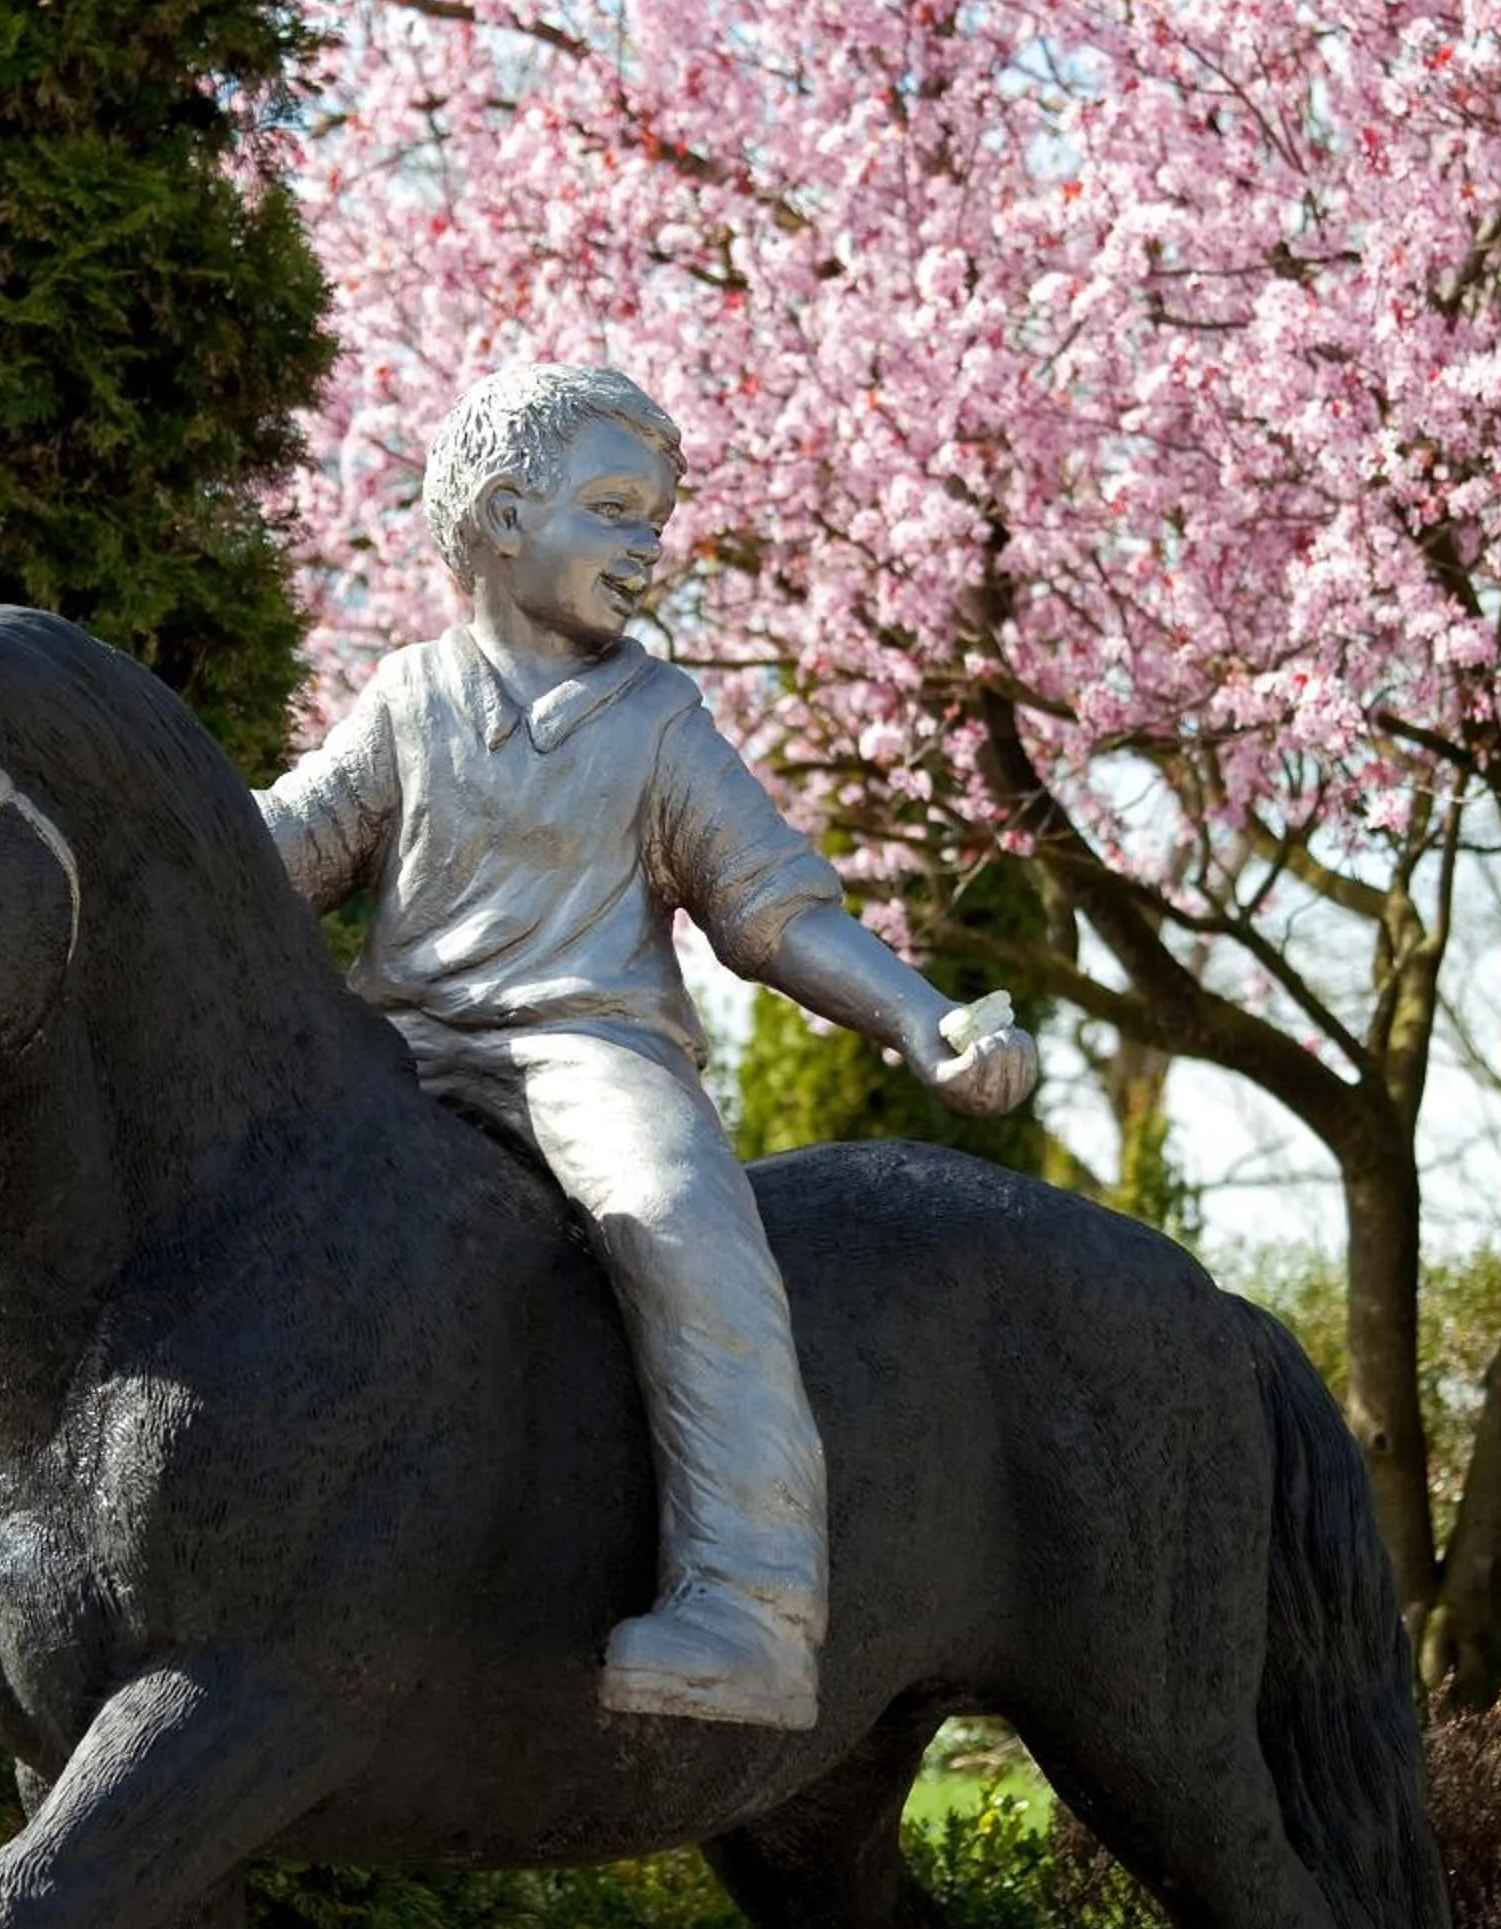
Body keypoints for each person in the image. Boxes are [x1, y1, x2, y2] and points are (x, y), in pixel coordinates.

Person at [258, 365, 1036, 1728]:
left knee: (680, 1214)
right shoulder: (408, 697)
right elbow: (282, 850)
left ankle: (751, 1601)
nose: (647, 548)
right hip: (400, 1052)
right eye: (614, 509)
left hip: (590, 1047)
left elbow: (772, 905)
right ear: (502, 517)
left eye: (658, 521)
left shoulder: (659, 719)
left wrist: (920, 1014)